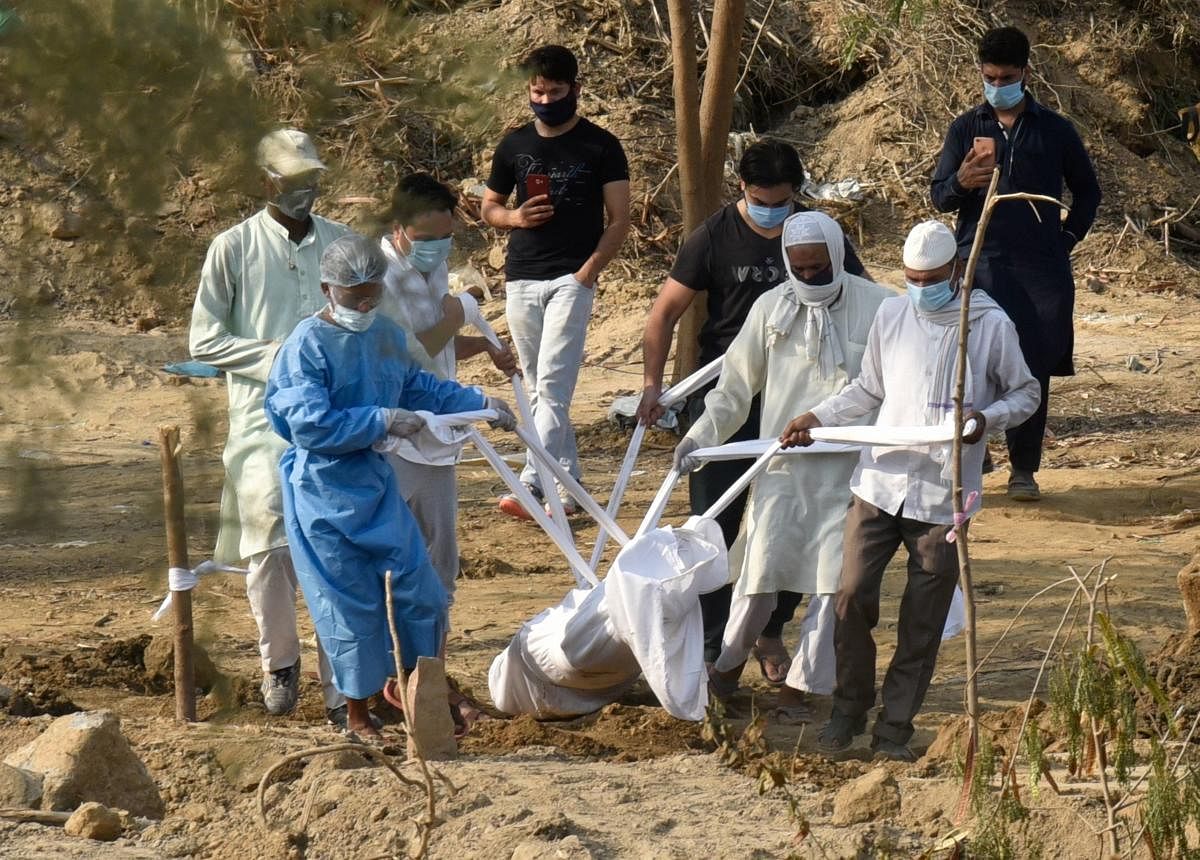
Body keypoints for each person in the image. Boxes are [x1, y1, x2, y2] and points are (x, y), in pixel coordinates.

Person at [780, 220, 1040, 760]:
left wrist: (984, 419)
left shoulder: (988, 323)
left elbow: (1026, 392)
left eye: (932, 278)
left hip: (942, 495)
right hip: (878, 483)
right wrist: (817, 416)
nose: (922, 287)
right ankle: (848, 711)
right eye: (913, 277)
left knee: (921, 620)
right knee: (849, 598)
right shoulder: (894, 313)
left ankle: (894, 729)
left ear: (953, 271)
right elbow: (869, 388)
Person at [264, 234, 516, 738]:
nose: (363, 304)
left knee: (420, 589)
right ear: (327, 289)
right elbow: (309, 423)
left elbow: (418, 385)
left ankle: (419, 690)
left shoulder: (384, 335)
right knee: (349, 605)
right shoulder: (305, 347)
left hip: (375, 486)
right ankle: (358, 716)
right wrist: (379, 420)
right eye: (353, 294)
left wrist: (477, 401)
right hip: (322, 492)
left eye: (371, 293)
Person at [636, 138, 869, 680]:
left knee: (791, 517)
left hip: (797, 403)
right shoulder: (716, 238)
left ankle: (769, 629)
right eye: (764, 201)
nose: (775, 214)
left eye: (784, 202)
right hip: (728, 390)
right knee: (715, 520)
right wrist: (653, 386)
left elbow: (866, 310)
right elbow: (664, 312)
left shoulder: (817, 240)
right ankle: (715, 642)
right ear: (743, 188)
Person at [671, 211, 890, 719]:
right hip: (783, 469)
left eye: (819, 267)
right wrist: (698, 437)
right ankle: (725, 670)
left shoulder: (880, 306)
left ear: (838, 256)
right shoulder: (771, 309)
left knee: (834, 586)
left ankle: (802, 690)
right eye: (800, 268)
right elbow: (734, 389)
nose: (810, 277)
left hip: (850, 471)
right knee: (758, 575)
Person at [189, 129, 350, 724]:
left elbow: (370, 320)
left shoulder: (343, 244)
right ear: (266, 182)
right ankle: (279, 662)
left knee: (336, 548)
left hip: (335, 421)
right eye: (291, 181)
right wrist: (277, 354)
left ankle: (344, 687)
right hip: (261, 421)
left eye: (310, 180)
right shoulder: (232, 248)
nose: (303, 191)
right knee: (266, 543)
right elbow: (204, 338)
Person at [931, 25, 1100, 502]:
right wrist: (962, 180)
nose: (997, 83)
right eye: (989, 75)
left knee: (1032, 364)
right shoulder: (967, 128)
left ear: (1026, 73)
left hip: (1040, 270)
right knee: (973, 359)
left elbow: (1088, 192)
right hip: (978, 262)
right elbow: (940, 197)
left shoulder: (1055, 129)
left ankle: (1024, 469)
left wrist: (1066, 237)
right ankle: (974, 449)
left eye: (1007, 75)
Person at [378, 172, 518, 730]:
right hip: (397, 439)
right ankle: (393, 681)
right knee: (398, 568)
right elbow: (406, 361)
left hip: (440, 438)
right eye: (427, 236)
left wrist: (481, 344)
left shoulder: (428, 266)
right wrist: (460, 317)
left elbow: (439, 345)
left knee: (440, 569)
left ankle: (428, 676)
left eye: (445, 237)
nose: (438, 248)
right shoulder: (380, 278)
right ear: (398, 230)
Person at [481, 44, 631, 518]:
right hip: (521, 277)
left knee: (554, 383)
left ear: (576, 90)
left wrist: (588, 273)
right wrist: (514, 218)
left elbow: (620, 219)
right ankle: (568, 490)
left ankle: (533, 479)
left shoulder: (601, 146)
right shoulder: (514, 145)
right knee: (536, 386)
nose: (545, 101)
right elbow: (489, 207)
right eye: (537, 92)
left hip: (572, 276)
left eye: (556, 91)